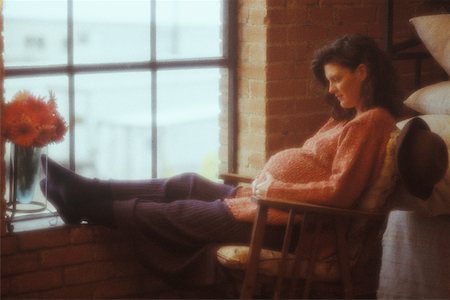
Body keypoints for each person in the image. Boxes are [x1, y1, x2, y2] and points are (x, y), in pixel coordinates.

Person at [40, 34, 401, 285]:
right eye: (329, 83)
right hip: (269, 205)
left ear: (363, 71)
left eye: (337, 80)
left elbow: (339, 191)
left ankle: (86, 204)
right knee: (186, 182)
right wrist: (268, 188)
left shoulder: (372, 123)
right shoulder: (350, 118)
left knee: (178, 215)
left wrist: (277, 187)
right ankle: (87, 190)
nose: (332, 91)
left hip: (286, 225)